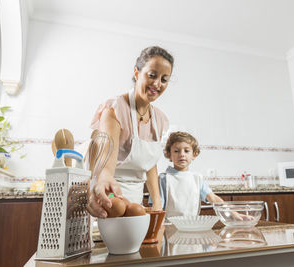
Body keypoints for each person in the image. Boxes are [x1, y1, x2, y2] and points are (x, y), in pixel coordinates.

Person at [87, 46, 174, 218]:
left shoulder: (160, 119)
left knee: (135, 225)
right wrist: (105, 178)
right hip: (108, 192)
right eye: (152, 75)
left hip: (135, 201)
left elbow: (149, 163)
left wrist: (157, 204)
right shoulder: (115, 108)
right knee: (117, 212)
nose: (157, 84)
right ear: (136, 73)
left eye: (164, 79)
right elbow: (107, 154)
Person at [159, 131, 225, 217]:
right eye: (176, 151)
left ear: (194, 154)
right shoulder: (163, 179)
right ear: (169, 155)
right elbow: (158, 209)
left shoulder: (197, 179)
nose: (182, 154)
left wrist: (233, 213)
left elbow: (213, 198)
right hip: (170, 228)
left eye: (186, 151)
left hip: (192, 226)